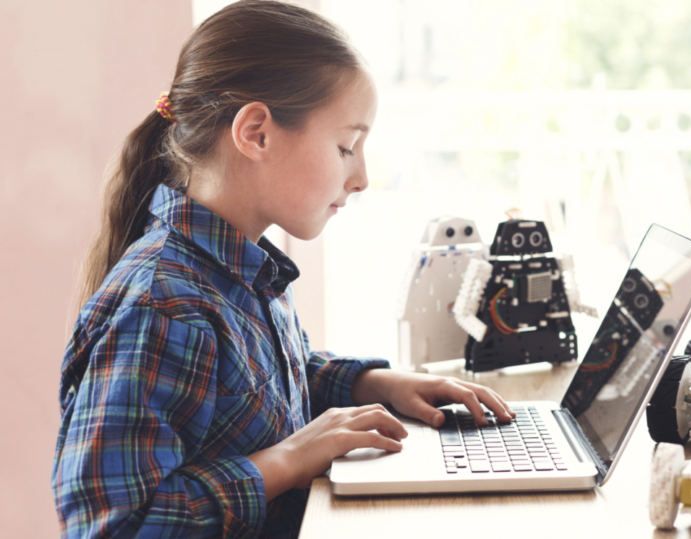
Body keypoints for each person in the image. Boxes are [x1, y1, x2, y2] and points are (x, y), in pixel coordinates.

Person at [52, 2, 515, 537]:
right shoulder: (162, 306)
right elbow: (110, 527)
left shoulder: (240, 271)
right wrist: (287, 461)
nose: (361, 177)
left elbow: (255, 390)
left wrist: (374, 382)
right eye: (346, 146)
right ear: (256, 133)